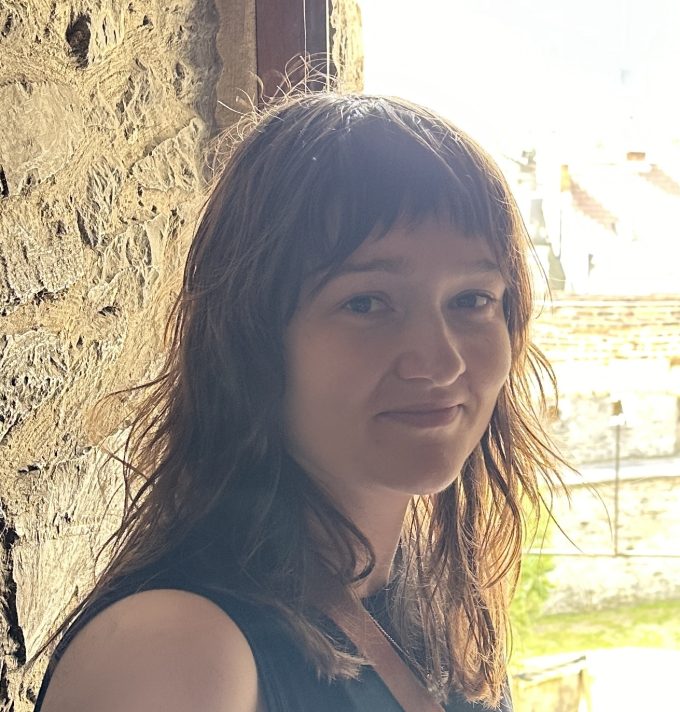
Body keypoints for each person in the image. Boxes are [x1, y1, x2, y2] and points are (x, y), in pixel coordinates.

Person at [35, 92, 563, 712]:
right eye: (365, 303)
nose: (441, 361)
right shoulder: (175, 654)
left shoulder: (425, 596)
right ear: (252, 339)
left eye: (472, 299)